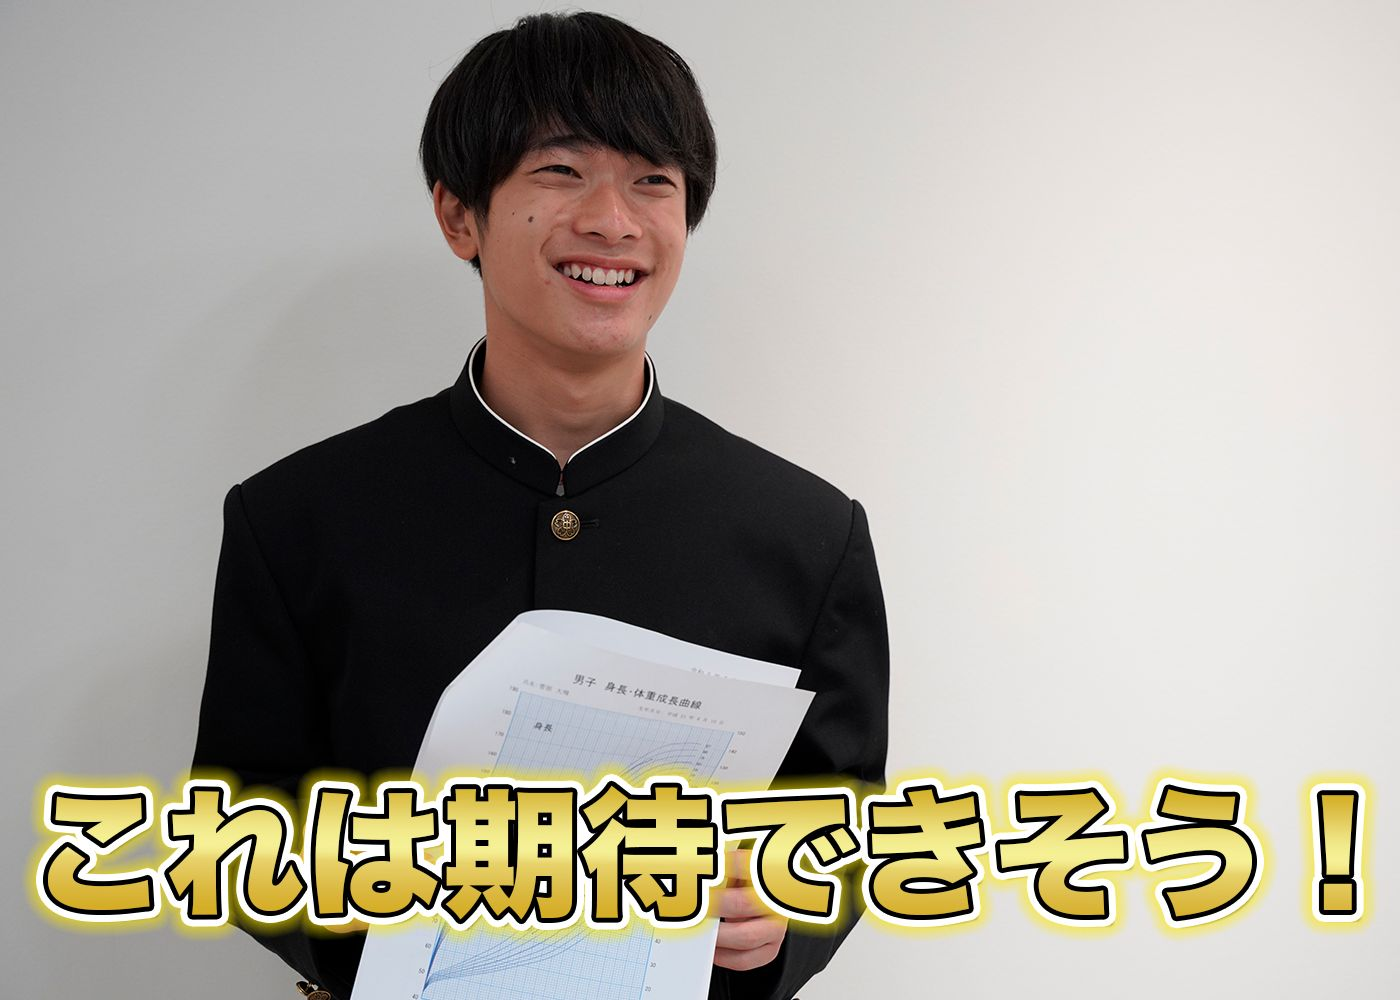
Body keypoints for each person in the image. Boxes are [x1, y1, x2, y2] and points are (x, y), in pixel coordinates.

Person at [193, 12, 888, 1000]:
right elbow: (234, 822)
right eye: (561, 170)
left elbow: (847, 827)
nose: (613, 220)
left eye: (653, 180)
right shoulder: (298, 517)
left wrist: (784, 912)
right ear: (458, 216)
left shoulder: (807, 533)